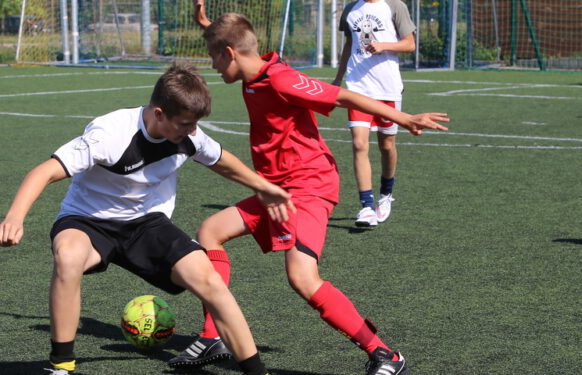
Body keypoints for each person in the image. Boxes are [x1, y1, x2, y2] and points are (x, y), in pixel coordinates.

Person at [167, 3, 449, 375]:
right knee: (210, 232)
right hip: (278, 188)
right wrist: (207, 25)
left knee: (302, 278)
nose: (214, 67)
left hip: (309, 185)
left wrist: (405, 118)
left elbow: (344, 96)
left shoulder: (281, 79)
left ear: (230, 53)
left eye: (215, 58)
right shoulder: (252, 72)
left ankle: (384, 354)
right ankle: (212, 336)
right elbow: (232, 39)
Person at [0, 64, 296, 375]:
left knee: (209, 279)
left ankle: (257, 372)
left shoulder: (189, 134)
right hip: (88, 220)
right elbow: (44, 172)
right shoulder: (109, 134)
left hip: (146, 224)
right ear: (160, 113)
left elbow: (220, 160)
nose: (192, 131)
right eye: (186, 124)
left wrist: (264, 187)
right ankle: (61, 366)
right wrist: (15, 218)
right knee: (68, 259)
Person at [331, 0, 417, 227]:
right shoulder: (350, 9)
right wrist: (339, 79)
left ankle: (386, 195)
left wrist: (384, 45)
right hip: (358, 87)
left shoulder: (395, 6)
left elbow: (409, 44)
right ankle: (367, 207)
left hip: (387, 88)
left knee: (386, 145)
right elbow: (349, 46)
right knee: (359, 144)